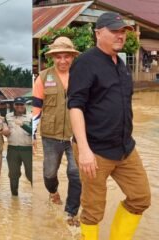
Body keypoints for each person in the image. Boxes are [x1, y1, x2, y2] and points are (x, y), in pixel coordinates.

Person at [68, 12, 151, 239]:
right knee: (93, 210)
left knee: (141, 197)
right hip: (95, 151)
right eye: (114, 30)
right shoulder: (85, 63)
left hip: (125, 148)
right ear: (98, 33)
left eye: (123, 31)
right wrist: (84, 150)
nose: (120, 35)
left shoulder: (121, 64)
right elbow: (75, 106)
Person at [32, 36, 81, 226]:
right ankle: (53, 192)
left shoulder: (82, 76)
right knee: (49, 174)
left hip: (76, 135)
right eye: (58, 57)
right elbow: (37, 106)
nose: (63, 61)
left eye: (66, 56)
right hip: (50, 136)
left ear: (72, 57)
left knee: (76, 173)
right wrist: (33, 134)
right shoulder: (43, 77)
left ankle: (71, 213)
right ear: (52, 57)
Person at [5, 97, 32, 196]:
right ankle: (14, 199)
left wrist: (23, 125)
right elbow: (5, 130)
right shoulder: (8, 116)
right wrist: (4, 132)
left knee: (31, 174)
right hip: (12, 149)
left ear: (25, 105)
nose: (19, 106)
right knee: (13, 174)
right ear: (14, 105)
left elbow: (34, 132)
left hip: (28, 149)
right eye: (17, 104)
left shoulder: (31, 116)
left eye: (21, 104)